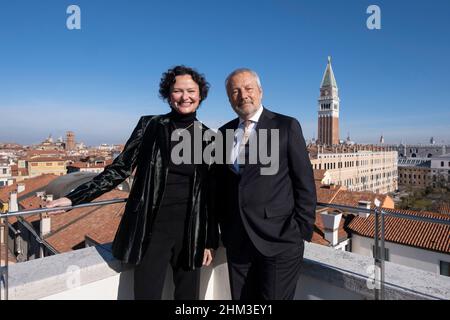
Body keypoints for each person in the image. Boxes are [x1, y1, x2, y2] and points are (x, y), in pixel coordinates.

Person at [47, 65, 219, 300]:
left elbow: (212, 193)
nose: (185, 97)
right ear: (168, 95)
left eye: (191, 91)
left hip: (191, 231)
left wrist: (209, 241)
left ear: (200, 95)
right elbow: (119, 170)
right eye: (178, 91)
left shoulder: (210, 137)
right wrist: (73, 197)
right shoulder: (149, 125)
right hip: (151, 229)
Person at [213, 68, 316, 300]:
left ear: (260, 91)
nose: (243, 95)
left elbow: (305, 183)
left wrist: (300, 231)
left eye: (248, 88)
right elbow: (220, 187)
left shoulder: (286, 126)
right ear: (229, 98)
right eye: (235, 91)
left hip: (279, 241)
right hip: (237, 241)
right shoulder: (223, 133)